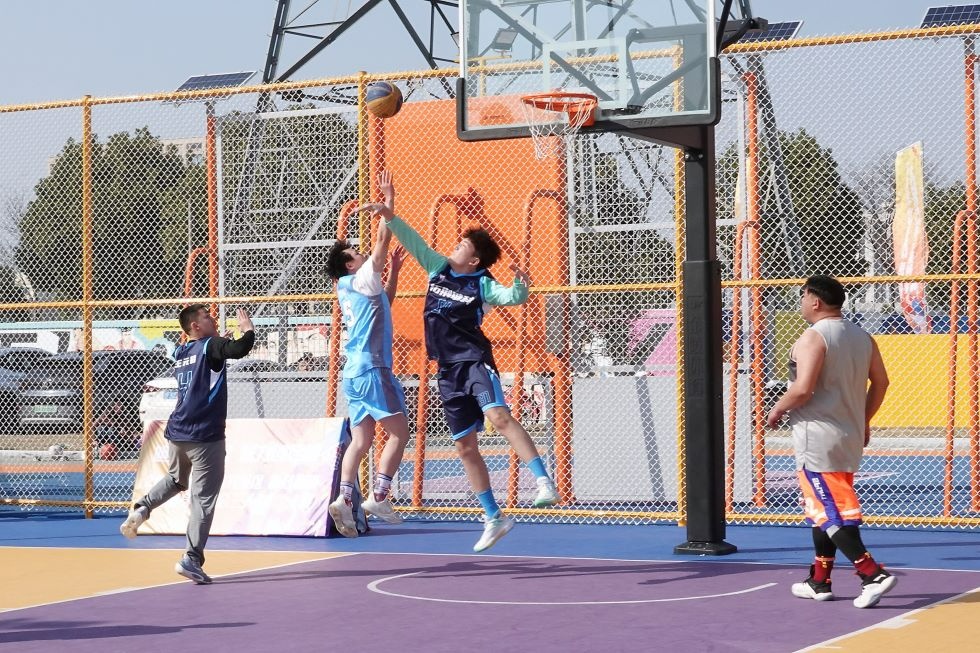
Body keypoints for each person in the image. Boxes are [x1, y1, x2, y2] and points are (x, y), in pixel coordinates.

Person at [360, 198, 560, 553]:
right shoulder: (437, 268)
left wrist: (520, 286)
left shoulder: (481, 283)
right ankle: (494, 517)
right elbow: (414, 241)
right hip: (447, 370)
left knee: (499, 417)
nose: (454, 246)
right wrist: (389, 214)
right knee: (464, 446)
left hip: (473, 361)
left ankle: (544, 482)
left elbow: (510, 296)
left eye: (462, 245)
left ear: (474, 260)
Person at [766, 275, 894, 609]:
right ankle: (819, 581)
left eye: (802, 296)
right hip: (848, 434)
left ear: (815, 300)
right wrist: (863, 419)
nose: (801, 302)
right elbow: (881, 383)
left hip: (818, 436)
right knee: (823, 508)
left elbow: (803, 388)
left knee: (830, 511)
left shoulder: (814, 337)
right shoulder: (862, 337)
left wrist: (776, 408)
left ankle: (872, 574)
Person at [119, 304, 255, 585]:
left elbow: (211, 357)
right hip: (205, 434)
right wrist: (248, 330)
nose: (212, 318)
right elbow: (240, 349)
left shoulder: (182, 352)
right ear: (195, 326)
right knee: (203, 500)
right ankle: (191, 559)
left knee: (175, 480)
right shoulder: (211, 346)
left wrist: (219, 343)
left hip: (178, 430)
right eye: (206, 316)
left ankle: (143, 508)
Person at [325, 171, 411, 537]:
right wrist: (388, 205)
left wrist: (394, 273)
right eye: (354, 253)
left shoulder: (347, 286)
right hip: (373, 368)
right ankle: (379, 495)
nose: (361, 253)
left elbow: (384, 301)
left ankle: (344, 499)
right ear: (349, 264)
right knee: (400, 433)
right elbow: (381, 242)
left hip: (353, 373)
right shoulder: (360, 276)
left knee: (361, 440)